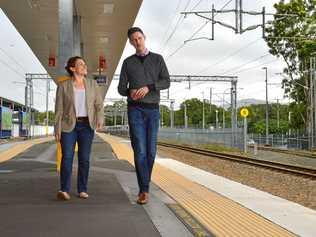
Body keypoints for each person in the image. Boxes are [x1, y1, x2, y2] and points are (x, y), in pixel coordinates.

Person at [118, 27, 170, 205]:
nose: (137, 42)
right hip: (135, 110)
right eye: (134, 40)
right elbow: (120, 88)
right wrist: (129, 92)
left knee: (151, 151)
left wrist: (149, 86)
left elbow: (166, 81)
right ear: (130, 42)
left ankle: (144, 185)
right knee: (139, 150)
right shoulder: (127, 62)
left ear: (144, 38)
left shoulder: (158, 59)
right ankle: (144, 190)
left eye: (139, 38)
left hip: (153, 110)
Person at [54, 56, 104, 200]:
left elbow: (99, 105)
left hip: (87, 126)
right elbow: (59, 109)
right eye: (80, 64)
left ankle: (82, 189)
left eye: (84, 64)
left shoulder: (92, 84)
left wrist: (100, 118)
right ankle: (64, 190)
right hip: (68, 126)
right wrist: (57, 128)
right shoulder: (63, 86)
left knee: (84, 159)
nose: (84, 66)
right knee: (67, 157)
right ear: (72, 68)